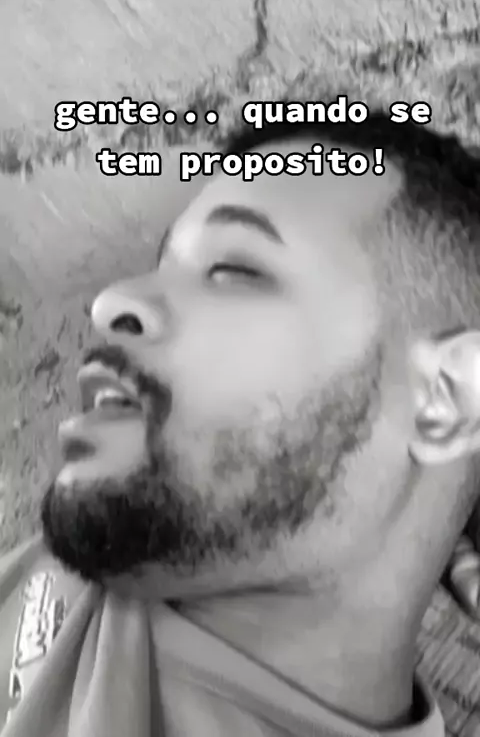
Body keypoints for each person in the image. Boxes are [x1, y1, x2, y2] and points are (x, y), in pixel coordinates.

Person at [2, 111, 480, 737]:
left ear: (446, 396)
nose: (112, 300)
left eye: (234, 270)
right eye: (163, 263)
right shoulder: (138, 540)